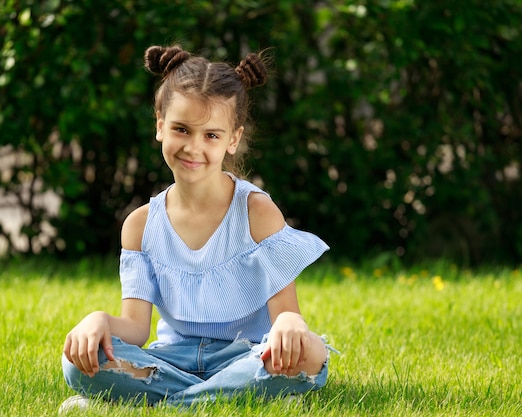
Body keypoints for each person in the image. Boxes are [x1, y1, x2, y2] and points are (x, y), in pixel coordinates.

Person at [60, 45, 334, 410]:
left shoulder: (257, 212)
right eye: (181, 129)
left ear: (232, 140)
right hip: (171, 360)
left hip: (245, 356)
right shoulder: (140, 225)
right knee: (77, 361)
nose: (193, 147)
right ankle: (231, 398)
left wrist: (289, 325)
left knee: (311, 354)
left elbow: (286, 314)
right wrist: (97, 321)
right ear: (160, 125)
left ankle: (164, 405)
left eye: (211, 135)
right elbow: (136, 329)